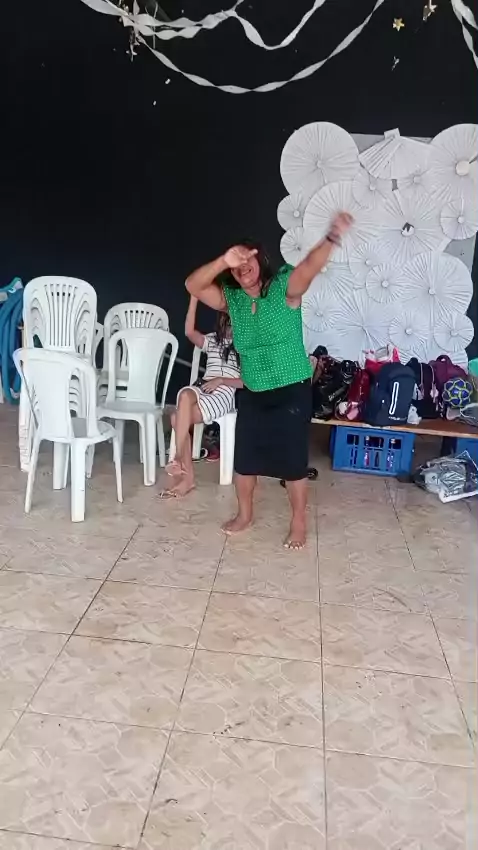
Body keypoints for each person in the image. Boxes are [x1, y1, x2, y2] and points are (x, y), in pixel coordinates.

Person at [186, 212, 353, 547]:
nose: (242, 267)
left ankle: (298, 522)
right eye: (236, 264)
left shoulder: (283, 288)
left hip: (291, 390)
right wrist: (223, 260)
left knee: (292, 463)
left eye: (247, 259)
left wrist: (332, 237)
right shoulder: (232, 300)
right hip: (253, 391)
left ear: (260, 259)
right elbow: (193, 285)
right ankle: (245, 514)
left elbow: (309, 267)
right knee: (245, 461)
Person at [161, 295, 242, 498]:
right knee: (185, 394)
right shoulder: (212, 340)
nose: (229, 325)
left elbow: (247, 382)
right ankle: (180, 461)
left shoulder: (244, 346)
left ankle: (184, 473)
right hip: (203, 387)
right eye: (226, 320)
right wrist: (194, 298)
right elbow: (189, 331)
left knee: (176, 418)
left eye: (233, 321)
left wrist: (221, 380)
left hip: (224, 392)